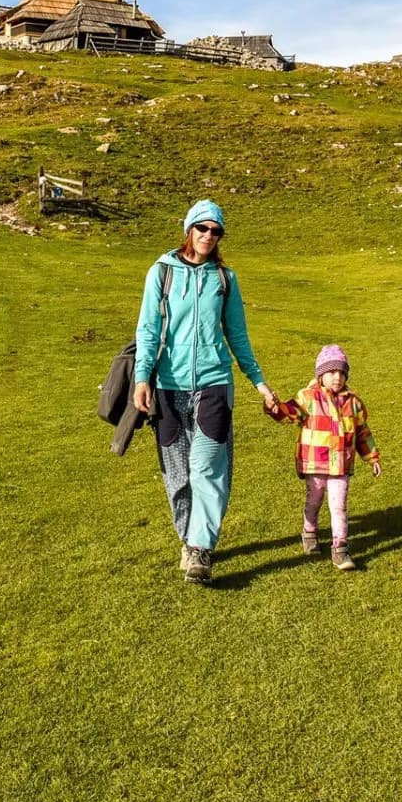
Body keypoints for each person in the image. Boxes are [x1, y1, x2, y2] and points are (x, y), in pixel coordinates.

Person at [131, 200, 278, 584]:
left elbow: (238, 336)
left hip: (214, 385)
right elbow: (147, 330)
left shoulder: (224, 279)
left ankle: (200, 549)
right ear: (189, 229)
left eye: (216, 231)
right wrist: (142, 378)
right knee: (178, 476)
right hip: (167, 386)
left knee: (206, 470)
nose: (209, 237)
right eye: (202, 228)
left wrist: (259, 383)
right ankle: (188, 537)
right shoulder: (161, 273)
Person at [267, 344, 382, 571]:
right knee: (315, 500)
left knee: (339, 506)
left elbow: (363, 434)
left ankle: (340, 549)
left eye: (341, 372)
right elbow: (288, 414)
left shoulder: (354, 403)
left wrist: (373, 457)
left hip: (341, 465)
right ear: (320, 375)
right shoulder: (307, 398)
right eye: (331, 373)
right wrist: (274, 406)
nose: (337, 377)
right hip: (315, 463)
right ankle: (309, 531)